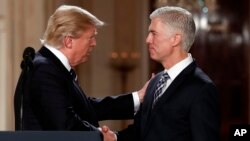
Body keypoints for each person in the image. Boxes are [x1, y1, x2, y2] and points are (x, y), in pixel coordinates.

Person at [14, 5, 149, 135]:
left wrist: (138, 98)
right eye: (90, 37)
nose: (94, 43)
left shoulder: (52, 66)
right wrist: (102, 136)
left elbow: (85, 108)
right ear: (68, 41)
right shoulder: (45, 70)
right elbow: (66, 127)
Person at [101, 6, 220, 141]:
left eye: (154, 33)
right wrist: (115, 138)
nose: (147, 39)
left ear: (175, 39)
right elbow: (141, 132)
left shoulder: (202, 88)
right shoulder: (155, 82)